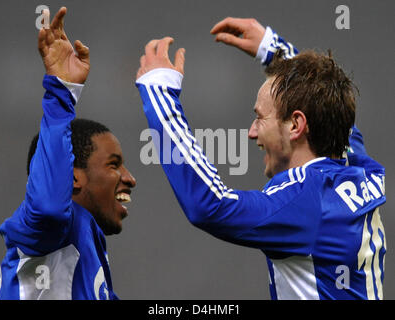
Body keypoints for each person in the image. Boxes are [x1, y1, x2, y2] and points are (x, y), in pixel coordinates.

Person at [135, 17, 386, 300]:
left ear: (296, 125)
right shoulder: (360, 169)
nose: (252, 132)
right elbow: (332, 109)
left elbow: (210, 205)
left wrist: (159, 92)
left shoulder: (307, 202)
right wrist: (273, 51)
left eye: (259, 117)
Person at [0, 7, 136, 300]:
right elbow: (48, 207)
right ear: (72, 177)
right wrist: (61, 91)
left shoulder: (86, 252)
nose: (129, 178)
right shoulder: (48, 233)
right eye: (114, 165)